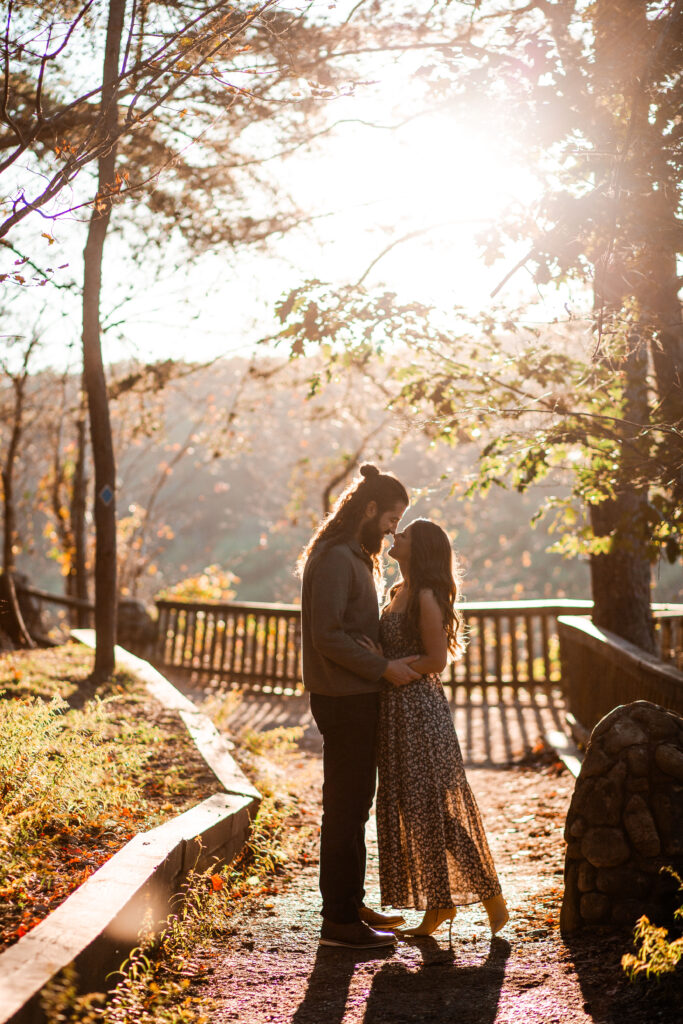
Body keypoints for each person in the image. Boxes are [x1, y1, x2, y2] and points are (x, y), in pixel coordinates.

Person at [359, 518, 509, 940]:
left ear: (419, 549)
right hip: (394, 710)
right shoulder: (396, 593)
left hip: (418, 710)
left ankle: (482, 896)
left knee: (432, 809)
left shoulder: (424, 596)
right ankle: (444, 902)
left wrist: (394, 668)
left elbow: (436, 660)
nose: (394, 537)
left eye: (402, 535)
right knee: (412, 808)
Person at [299, 463, 421, 949]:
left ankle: (350, 904)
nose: (393, 530)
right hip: (344, 698)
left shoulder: (354, 555)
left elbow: (347, 630)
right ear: (369, 509)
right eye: (391, 519)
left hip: (357, 696)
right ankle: (339, 923)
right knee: (345, 809)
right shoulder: (333, 558)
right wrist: (382, 668)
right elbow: (326, 634)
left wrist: (371, 647)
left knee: (356, 806)